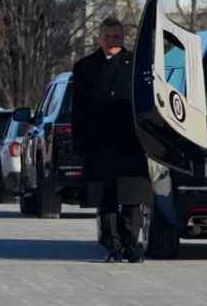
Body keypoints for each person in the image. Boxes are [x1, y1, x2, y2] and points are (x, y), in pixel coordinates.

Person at [71, 17, 152, 263]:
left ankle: (130, 247)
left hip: (130, 143)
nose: (111, 41)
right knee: (105, 199)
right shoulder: (85, 67)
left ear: (123, 37)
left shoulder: (138, 65)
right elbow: (78, 110)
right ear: (100, 37)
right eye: (107, 36)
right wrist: (81, 144)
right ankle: (113, 247)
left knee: (131, 200)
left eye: (116, 36)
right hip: (99, 142)